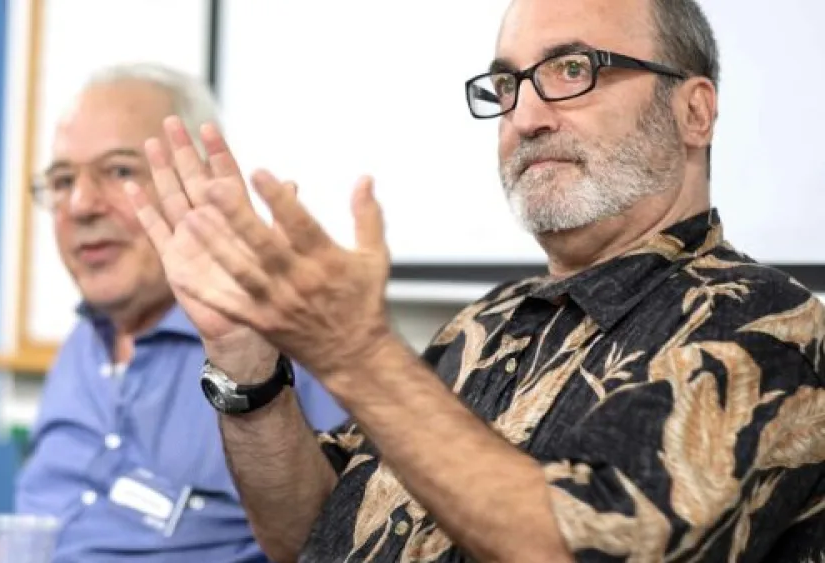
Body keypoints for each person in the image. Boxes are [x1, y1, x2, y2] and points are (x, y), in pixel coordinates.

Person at [122, 0, 825, 561]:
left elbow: (570, 547)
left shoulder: (773, 329)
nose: (524, 115)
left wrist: (357, 353)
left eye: (573, 69)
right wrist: (248, 364)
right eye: (507, 84)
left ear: (694, 111)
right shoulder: (482, 325)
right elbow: (310, 532)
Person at [13, 63, 348, 563]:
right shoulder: (82, 344)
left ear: (197, 185)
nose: (80, 205)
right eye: (63, 180)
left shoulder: (285, 345)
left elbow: (341, 543)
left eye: (120, 171)